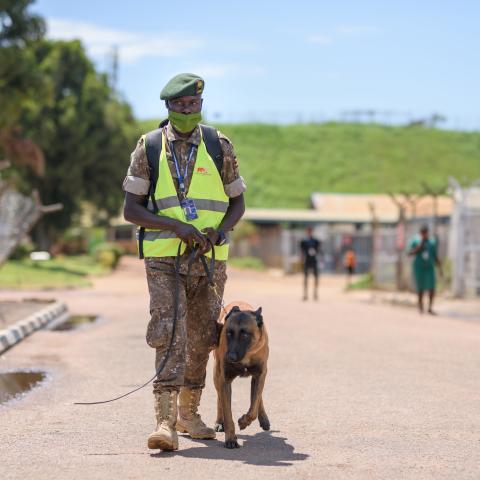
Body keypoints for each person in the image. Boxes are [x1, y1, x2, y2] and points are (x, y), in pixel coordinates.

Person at [122, 73, 246, 451]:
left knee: (203, 337)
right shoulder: (149, 148)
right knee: (168, 331)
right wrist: (174, 225)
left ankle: (189, 414)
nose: (187, 110)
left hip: (208, 261)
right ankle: (165, 421)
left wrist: (218, 232)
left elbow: (237, 202)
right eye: (180, 105)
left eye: (193, 104)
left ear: (200, 105)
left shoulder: (218, 145)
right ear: (169, 107)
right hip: (163, 258)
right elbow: (131, 209)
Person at [408, 225, 442, 314]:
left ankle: (430, 308)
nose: (424, 235)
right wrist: (419, 246)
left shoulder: (431, 242)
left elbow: (435, 256)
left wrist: (440, 268)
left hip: (429, 268)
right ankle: (420, 307)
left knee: (432, 288)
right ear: (420, 233)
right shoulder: (415, 241)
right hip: (419, 268)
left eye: (426, 233)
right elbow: (409, 253)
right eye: (423, 233)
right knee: (420, 288)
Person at [300, 227, 322, 300]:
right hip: (307, 260)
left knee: (316, 277)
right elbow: (302, 251)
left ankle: (315, 293)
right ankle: (305, 294)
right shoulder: (304, 241)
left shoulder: (315, 241)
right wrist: (302, 259)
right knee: (306, 278)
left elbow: (318, 249)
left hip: (314, 260)